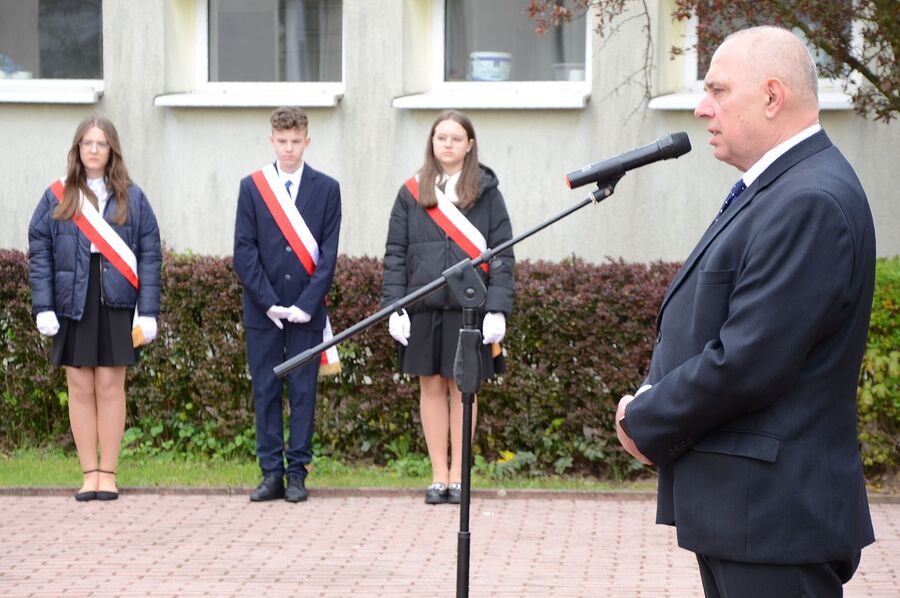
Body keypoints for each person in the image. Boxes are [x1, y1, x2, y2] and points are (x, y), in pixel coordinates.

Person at [615, 26, 876, 597]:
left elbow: (749, 359)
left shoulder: (808, 199)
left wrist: (647, 417)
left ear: (771, 96)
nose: (702, 107)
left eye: (718, 90)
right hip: (751, 516)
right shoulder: (778, 188)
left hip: (775, 519)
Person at [382, 110, 515, 505]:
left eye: (456, 138)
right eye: (441, 137)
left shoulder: (487, 192)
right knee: (430, 386)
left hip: (469, 308)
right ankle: (438, 475)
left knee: (463, 387)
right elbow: (396, 253)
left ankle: (460, 476)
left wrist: (498, 308)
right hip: (423, 306)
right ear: (432, 142)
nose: (448, 144)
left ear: (469, 144)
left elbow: (503, 254)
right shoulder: (411, 191)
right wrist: (395, 306)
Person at [28, 115, 162, 502]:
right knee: (80, 385)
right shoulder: (57, 196)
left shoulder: (132, 198)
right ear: (77, 149)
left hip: (116, 298)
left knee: (109, 384)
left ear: (112, 150)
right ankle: (89, 473)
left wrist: (148, 310)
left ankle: (109, 472)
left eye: (100, 143)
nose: (93, 150)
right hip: (73, 299)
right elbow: (40, 252)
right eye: (87, 143)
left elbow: (150, 255)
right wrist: (43, 306)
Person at [233, 106, 342, 503]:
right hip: (264, 312)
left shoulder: (328, 189)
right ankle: (270, 473)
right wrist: (270, 303)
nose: (289, 148)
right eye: (282, 141)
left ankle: (297, 472)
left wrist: (306, 305)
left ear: (307, 141)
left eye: (296, 141)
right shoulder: (252, 187)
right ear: (271, 140)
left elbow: (328, 255)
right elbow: (244, 252)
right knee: (264, 391)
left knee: (302, 393)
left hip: (307, 313)